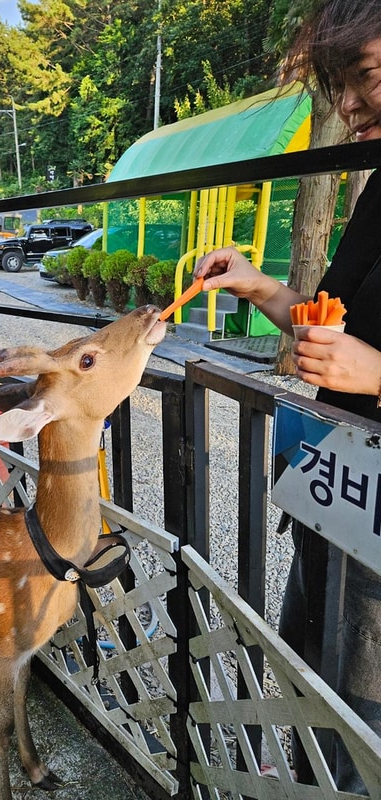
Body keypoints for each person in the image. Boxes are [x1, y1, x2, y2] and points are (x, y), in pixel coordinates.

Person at [195, 0, 381, 791]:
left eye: (365, 76)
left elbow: (363, 356)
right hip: (336, 478)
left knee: (363, 688)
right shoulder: (378, 196)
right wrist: (259, 284)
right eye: (342, 85)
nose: (346, 106)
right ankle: (303, 775)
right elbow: (328, 318)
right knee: (306, 646)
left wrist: (377, 373)